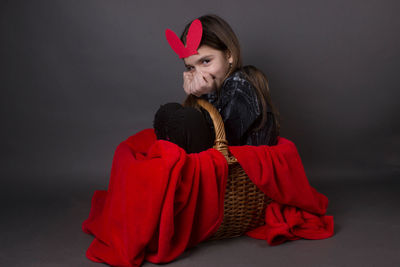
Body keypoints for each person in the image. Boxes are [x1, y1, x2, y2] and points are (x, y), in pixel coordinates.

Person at [153, 14, 280, 154]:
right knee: (168, 112)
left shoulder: (241, 86)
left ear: (228, 55)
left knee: (188, 118)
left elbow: (224, 141)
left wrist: (208, 93)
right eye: (191, 68)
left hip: (238, 160)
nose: (199, 74)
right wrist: (196, 95)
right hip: (214, 156)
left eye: (206, 61)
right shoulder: (218, 86)